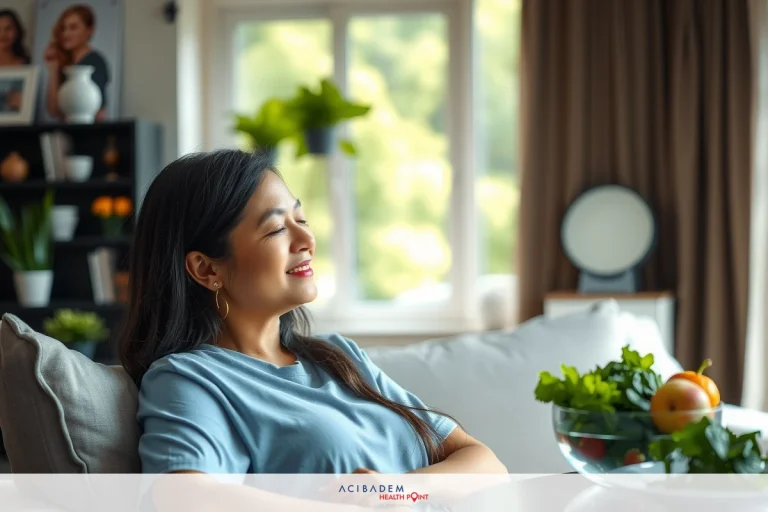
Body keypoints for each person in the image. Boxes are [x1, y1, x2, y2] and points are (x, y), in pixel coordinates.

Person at [119, 149, 507, 510]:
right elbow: (183, 494)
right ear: (207, 269)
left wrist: (398, 490)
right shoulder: (190, 378)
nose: (306, 240)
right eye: (276, 230)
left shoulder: (339, 356)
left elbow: (484, 462)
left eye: (301, 220)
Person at [43, 4, 110, 121]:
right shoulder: (64, 64)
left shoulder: (95, 62)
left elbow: (99, 112)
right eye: (63, 28)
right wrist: (53, 69)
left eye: (73, 28)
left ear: (89, 30)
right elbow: (53, 110)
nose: (66, 34)